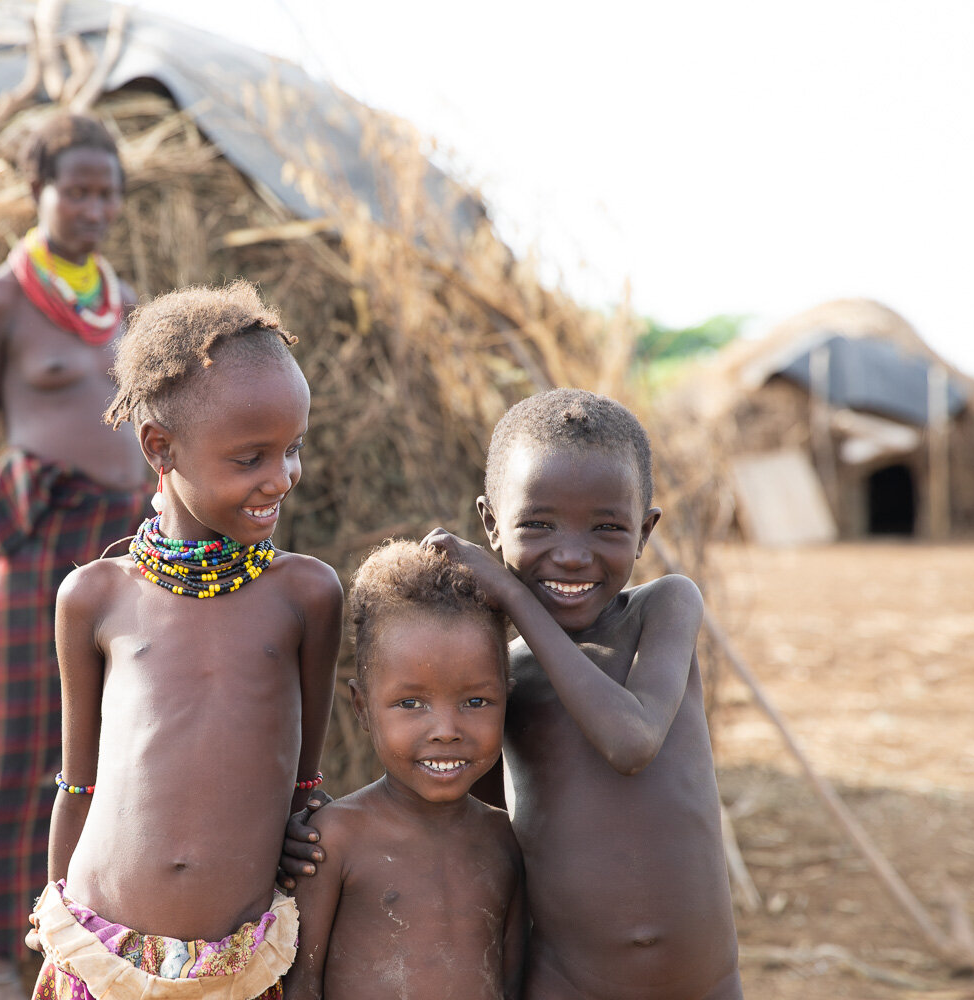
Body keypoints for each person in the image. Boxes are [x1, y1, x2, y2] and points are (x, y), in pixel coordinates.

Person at [285, 388, 742, 1000]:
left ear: (645, 530)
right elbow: (450, 804)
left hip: (701, 985)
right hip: (564, 984)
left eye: (607, 526)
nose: (573, 555)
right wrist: (318, 828)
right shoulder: (499, 683)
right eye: (538, 524)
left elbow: (631, 741)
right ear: (492, 525)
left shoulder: (663, 609)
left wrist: (511, 592)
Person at [26, 280, 344, 1000]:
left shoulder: (306, 596)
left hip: (240, 961)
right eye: (251, 458)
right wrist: (53, 923)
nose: (281, 479)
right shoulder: (94, 599)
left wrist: (300, 825)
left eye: (292, 450)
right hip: (99, 951)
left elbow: (304, 787)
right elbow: (78, 785)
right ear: (160, 448)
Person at [0, 111, 147, 1000]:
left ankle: (91, 937)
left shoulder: (128, 304)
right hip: (31, 546)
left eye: (107, 192)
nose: (93, 207)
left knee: (110, 745)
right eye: (76, 189)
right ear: (38, 191)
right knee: (13, 746)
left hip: (120, 545)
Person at [283, 540, 525, 1000]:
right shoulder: (333, 839)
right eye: (411, 703)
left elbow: (511, 983)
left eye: (476, 702)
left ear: (507, 701)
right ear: (362, 707)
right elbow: (302, 986)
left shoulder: (506, 840)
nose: (446, 730)